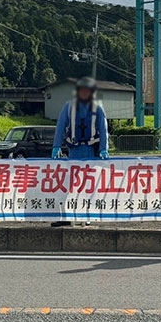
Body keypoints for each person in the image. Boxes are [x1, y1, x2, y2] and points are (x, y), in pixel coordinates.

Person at [51, 77, 109, 227]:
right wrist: (56, 146)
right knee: (67, 185)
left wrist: (104, 149)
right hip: (73, 152)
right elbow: (60, 127)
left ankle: (87, 215)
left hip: (90, 151)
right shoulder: (68, 107)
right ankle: (64, 216)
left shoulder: (98, 108)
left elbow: (103, 130)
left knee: (88, 185)